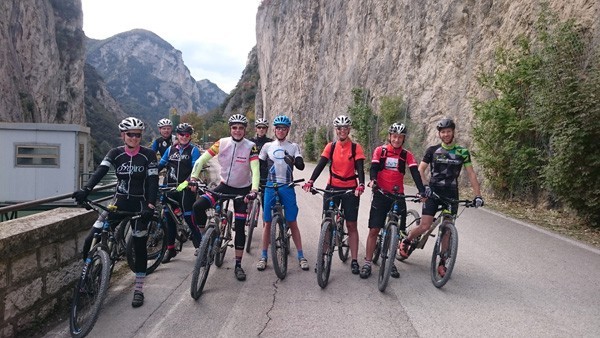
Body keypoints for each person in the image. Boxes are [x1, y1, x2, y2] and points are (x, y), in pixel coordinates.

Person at [72, 117, 158, 308]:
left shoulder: (148, 155)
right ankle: (88, 279)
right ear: (123, 135)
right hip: (117, 204)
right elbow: (101, 171)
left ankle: (138, 289)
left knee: (140, 245)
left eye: (138, 135)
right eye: (130, 134)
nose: (134, 138)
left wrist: (150, 206)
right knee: (90, 239)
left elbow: (153, 182)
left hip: (140, 206)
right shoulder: (115, 153)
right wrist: (86, 190)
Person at [398, 118, 484, 277]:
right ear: (439, 134)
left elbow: (471, 174)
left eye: (448, 131)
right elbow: (420, 169)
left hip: (451, 194)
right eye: (443, 132)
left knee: (447, 230)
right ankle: (407, 241)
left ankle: (443, 261)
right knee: (425, 226)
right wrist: (425, 187)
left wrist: (477, 195)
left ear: (453, 132)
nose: (446, 134)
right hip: (433, 192)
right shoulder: (432, 150)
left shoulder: (462, 152)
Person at [190, 114, 259, 281]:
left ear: (245, 130)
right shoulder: (222, 143)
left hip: (242, 190)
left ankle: (238, 265)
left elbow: (255, 169)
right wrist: (193, 177)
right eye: (234, 127)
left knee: (241, 227)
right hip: (223, 186)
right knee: (198, 206)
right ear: (230, 129)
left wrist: (254, 189)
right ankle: (203, 239)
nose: (237, 130)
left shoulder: (251, 146)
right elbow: (201, 159)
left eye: (241, 128)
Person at [359, 123, 426, 279]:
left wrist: (422, 190)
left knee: (397, 232)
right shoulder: (380, 151)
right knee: (374, 230)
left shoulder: (406, 155)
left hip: (398, 195)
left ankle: (390, 262)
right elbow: (374, 167)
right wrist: (373, 180)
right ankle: (368, 262)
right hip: (381, 193)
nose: (396, 139)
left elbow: (415, 172)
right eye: (394, 136)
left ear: (403, 139)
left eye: (400, 137)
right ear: (389, 136)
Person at [302, 115, 366, 275]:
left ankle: (354, 260)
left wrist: (361, 185)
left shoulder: (355, 147)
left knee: (351, 225)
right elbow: (321, 165)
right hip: (332, 188)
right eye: (339, 128)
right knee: (327, 221)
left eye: (345, 128)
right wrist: (311, 181)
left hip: (351, 189)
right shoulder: (330, 147)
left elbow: (360, 168)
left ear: (349, 130)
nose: (342, 131)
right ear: (336, 130)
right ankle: (322, 257)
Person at [256, 115, 308, 272]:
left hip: (287, 186)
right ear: (274, 129)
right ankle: (263, 256)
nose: (280, 131)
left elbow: (301, 166)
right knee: (267, 223)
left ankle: (301, 256)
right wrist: (256, 182)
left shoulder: (293, 146)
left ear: (288, 130)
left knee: (292, 221)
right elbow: (258, 165)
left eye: (283, 128)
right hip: (270, 186)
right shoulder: (267, 146)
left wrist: (293, 160)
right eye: (278, 128)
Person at [158, 123, 203, 263]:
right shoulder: (170, 149)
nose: (184, 137)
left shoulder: (193, 150)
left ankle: (200, 247)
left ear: (190, 136)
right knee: (168, 219)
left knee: (190, 218)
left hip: (185, 188)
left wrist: (189, 181)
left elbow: (195, 169)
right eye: (181, 134)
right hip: (169, 187)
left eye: (187, 135)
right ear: (177, 135)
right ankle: (170, 249)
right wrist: (150, 175)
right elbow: (161, 165)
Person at [249, 117, 273, 209]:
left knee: (265, 200)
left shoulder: (271, 143)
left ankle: (265, 218)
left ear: (267, 129)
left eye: (263, 128)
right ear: (256, 129)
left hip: (265, 173)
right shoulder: (250, 142)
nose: (261, 129)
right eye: (259, 127)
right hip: (251, 172)